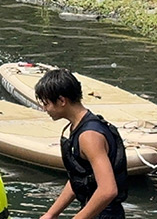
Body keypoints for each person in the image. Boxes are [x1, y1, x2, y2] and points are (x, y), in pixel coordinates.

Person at [35, 68, 128, 219]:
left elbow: (108, 190)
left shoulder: (89, 136)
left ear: (62, 101)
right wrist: (51, 214)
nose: (44, 108)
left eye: (46, 103)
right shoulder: (78, 127)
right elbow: (80, 178)